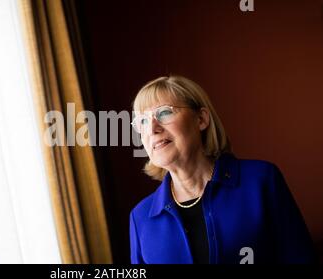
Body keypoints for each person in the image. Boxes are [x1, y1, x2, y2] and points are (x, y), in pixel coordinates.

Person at [129, 75, 316, 264]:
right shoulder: (140, 217)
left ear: (201, 119)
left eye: (164, 113)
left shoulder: (261, 180)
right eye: (142, 121)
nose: (152, 128)